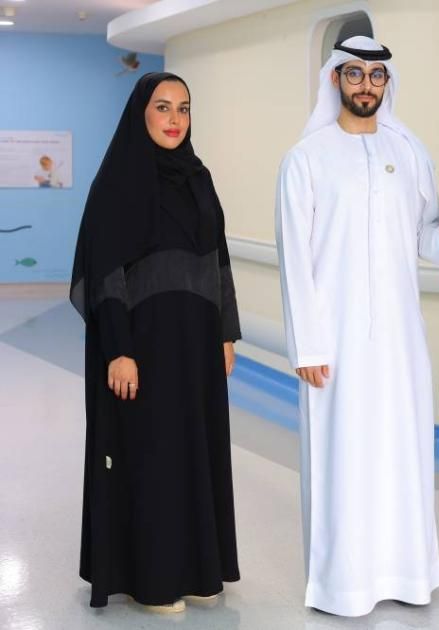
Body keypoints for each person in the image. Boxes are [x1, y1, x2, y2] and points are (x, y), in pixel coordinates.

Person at [275, 35, 439, 617]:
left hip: (402, 341)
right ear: (335, 79)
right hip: (335, 342)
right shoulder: (306, 158)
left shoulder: (409, 153)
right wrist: (307, 344)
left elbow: (426, 239)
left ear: (387, 82)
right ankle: (342, 584)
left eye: (376, 76)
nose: (366, 85)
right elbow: (294, 258)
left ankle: (407, 575)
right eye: (354, 74)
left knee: (402, 454)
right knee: (344, 459)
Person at [69, 72, 241, 612]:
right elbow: (106, 273)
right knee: (152, 454)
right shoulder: (118, 183)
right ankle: (151, 580)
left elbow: (219, 259)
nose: (174, 119)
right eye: (163, 107)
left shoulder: (199, 178)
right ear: (140, 112)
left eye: (183, 108)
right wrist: (119, 349)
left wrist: (226, 333)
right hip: (144, 346)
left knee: (195, 449)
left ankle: (196, 570)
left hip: (196, 344)